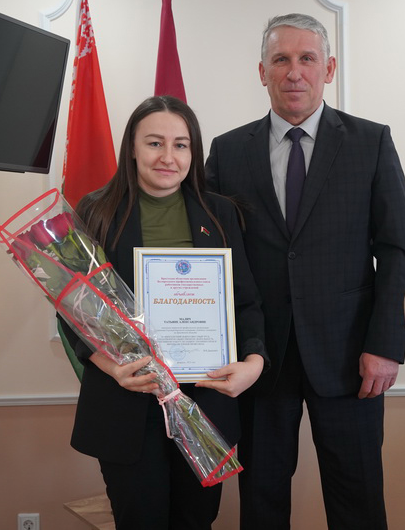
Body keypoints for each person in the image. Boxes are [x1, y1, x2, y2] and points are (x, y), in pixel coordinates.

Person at [205, 13, 405, 530]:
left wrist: (386, 345)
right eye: (281, 59)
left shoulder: (370, 142)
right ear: (262, 72)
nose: (294, 72)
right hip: (260, 358)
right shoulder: (227, 152)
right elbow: (210, 254)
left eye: (307, 59)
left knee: (358, 502)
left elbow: (397, 253)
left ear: (330, 68)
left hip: (352, 360)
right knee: (261, 503)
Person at [60, 95, 268, 530]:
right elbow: (73, 311)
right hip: (126, 404)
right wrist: (115, 369)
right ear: (132, 148)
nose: (168, 157)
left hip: (205, 403)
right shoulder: (96, 211)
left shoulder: (220, 213)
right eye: (155, 143)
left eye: (181, 145)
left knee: (197, 520)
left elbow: (246, 302)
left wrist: (254, 362)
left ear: (194, 152)